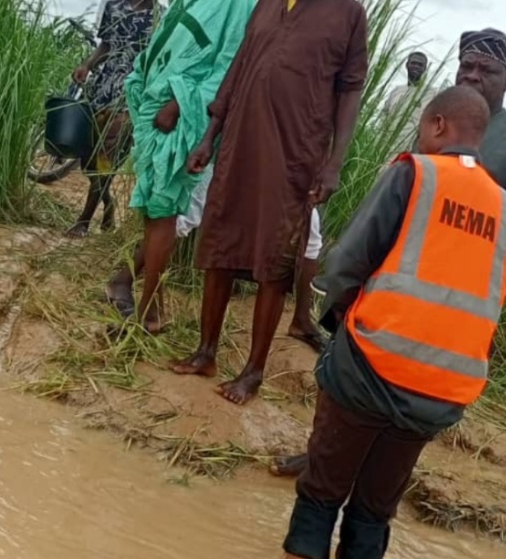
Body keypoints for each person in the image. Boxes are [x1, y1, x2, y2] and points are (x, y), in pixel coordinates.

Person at [269, 26, 506, 477]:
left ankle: (368, 480)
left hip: (455, 302)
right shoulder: (440, 119)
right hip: (393, 275)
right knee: (344, 366)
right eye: (467, 66)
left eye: (488, 70)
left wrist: (478, 234)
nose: (474, 76)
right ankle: (321, 461)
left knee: (417, 398)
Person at [280, 86, 506, 559]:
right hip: (444, 387)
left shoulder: (416, 173)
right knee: (375, 507)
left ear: (438, 125)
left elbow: (348, 261)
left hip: (373, 362)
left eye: (421, 126)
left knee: (322, 491)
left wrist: (339, 318)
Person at [170, 0, 369, 404]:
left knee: (275, 262)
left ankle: (253, 372)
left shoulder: (348, 12)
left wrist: (334, 162)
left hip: (295, 154)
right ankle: (206, 352)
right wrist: (210, 136)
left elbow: (350, 89)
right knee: (220, 243)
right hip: (239, 143)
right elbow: (238, 68)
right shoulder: (267, 4)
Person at [102, 0, 256, 333]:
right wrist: (142, 78)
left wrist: (177, 104)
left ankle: (150, 314)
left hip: (182, 114)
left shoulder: (242, 5)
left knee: (165, 211)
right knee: (156, 208)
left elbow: (230, 61)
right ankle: (147, 302)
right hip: (155, 101)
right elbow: (169, 33)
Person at [108, 168, 330, 350]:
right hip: (230, 146)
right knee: (183, 214)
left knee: (308, 228)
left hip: (270, 153)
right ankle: (135, 293)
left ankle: (302, 319)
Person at [66, 0, 156, 238]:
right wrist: (86, 65)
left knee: (106, 157)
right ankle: (108, 203)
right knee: (87, 160)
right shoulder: (114, 6)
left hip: (131, 98)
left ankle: (83, 222)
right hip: (102, 89)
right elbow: (106, 45)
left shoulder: (161, 17)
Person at [382, 51, 429, 151]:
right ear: (407, 65)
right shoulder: (396, 91)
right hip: (386, 148)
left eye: (420, 65)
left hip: (412, 151)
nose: (416, 66)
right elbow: (384, 117)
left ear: (425, 68)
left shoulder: (430, 94)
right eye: (413, 63)